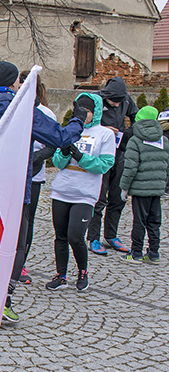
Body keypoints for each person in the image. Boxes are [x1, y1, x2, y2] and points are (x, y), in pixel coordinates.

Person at [0, 61, 87, 324]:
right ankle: (3, 301)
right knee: (14, 247)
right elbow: (61, 138)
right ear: (15, 83)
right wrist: (78, 120)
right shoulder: (22, 112)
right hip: (14, 192)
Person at [46, 93, 116, 291]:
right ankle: (61, 275)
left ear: (94, 112)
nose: (83, 114)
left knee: (75, 236)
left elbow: (105, 164)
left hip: (85, 193)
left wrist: (81, 157)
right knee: (60, 235)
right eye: (80, 110)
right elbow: (57, 162)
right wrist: (66, 153)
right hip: (62, 190)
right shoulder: (71, 130)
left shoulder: (104, 134)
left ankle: (83, 271)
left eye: (86, 111)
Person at [86, 76, 138, 255]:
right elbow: (83, 122)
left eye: (119, 102)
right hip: (100, 155)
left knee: (117, 197)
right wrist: (102, 129)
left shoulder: (126, 100)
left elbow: (137, 121)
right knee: (99, 198)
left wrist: (125, 133)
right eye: (113, 101)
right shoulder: (95, 99)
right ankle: (93, 237)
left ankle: (111, 235)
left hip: (120, 153)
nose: (116, 105)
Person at [119, 106, 169, 263]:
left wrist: (124, 188)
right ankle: (154, 253)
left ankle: (136, 253)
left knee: (139, 221)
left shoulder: (135, 140)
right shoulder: (163, 140)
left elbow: (130, 167)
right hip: (157, 188)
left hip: (140, 190)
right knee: (154, 221)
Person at [20, 71, 57, 285]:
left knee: (27, 221)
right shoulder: (12, 109)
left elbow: (53, 146)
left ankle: (21, 263)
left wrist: (33, 158)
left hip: (33, 176)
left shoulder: (46, 114)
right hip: (12, 175)